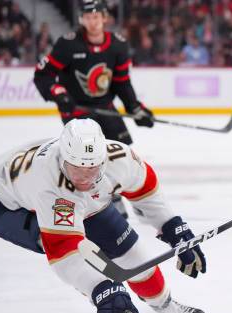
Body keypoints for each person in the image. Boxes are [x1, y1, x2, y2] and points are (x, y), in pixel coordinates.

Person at [0, 119, 208, 313]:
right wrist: (102, 291)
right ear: (63, 161)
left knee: (134, 256)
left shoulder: (120, 159)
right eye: (77, 169)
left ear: (103, 159)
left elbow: (146, 191)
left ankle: (167, 306)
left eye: (92, 168)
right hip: (12, 206)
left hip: (81, 203)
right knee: (62, 245)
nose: (86, 178)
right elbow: (64, 253)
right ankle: (105, 293)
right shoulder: (48, 184)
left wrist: (173, 227)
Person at [33, 0, 154, 217]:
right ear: (82, 19)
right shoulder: (68, 45)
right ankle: (108, 202)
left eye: (97, 16)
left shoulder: (118, 44)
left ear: (104, 18)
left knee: (122, 151)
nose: (93, 21)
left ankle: (135, 195)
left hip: (105, 107)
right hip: (77, 111)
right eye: (88, 17)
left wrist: (135, 108)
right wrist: (60, 94)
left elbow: (122, 82)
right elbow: (43, 75)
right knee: (90, 158)